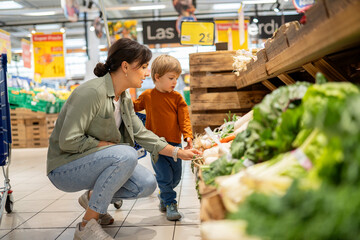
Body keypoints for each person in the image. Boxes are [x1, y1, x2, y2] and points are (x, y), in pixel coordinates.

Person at [46, 38, 201, 240]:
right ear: (125, 66)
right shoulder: (91, 93)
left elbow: (141, 133)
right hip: (65, 168)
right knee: (126, 154)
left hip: (94, 161)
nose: (147, 73)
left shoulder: (125, 98)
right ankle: (86, 226)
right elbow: (68, 141)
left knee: (147, 184)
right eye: (144, 67)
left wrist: (178, 152)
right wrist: (104, 145)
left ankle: (92, 198)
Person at [133, 55, 193, 221]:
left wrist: (188, 135)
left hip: (174, 143)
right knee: (164, 176)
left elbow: (184, 119)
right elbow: (134, 106)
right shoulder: (147, 96)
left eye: (176, 78)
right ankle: (170, 203)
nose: (175, 82)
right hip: (155, 145)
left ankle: (164, 195)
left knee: (176, 177)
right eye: (171, 78)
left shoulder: (177, 98)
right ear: (157, 77)